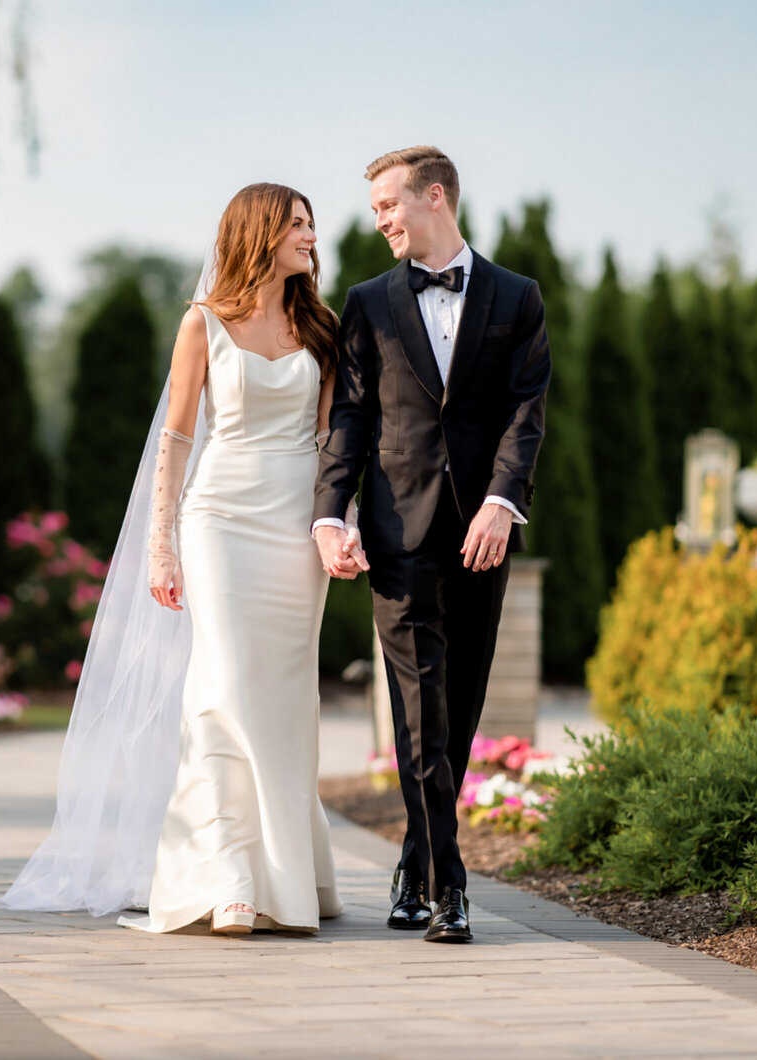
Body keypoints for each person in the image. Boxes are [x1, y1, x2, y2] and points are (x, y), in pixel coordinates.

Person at [0, 183, 351, 936]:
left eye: (312, 225)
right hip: (218, 519)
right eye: (297, 224)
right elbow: (176, 439)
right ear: (258, 232)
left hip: (295, 529)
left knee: (285, 699)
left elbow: (331, 445)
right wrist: (162, 543)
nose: (311, 237)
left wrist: (337, 524)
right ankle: (227, 880)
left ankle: (291, 878)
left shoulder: (322, 327)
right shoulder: (203, 325)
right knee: (220, 686)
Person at [313, 146, 551, 943]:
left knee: (459, 710)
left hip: (481, 534)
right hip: (396, 533)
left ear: (435, 196)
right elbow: (349, 417)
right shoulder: (369, 303)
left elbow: (527, 411)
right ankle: (451, 889)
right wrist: (330, 513)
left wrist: (501, 501)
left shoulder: (518, 298)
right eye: (375, 208)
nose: (379, 220)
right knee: (418, 713)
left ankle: (414, 862)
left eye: (388, 204)